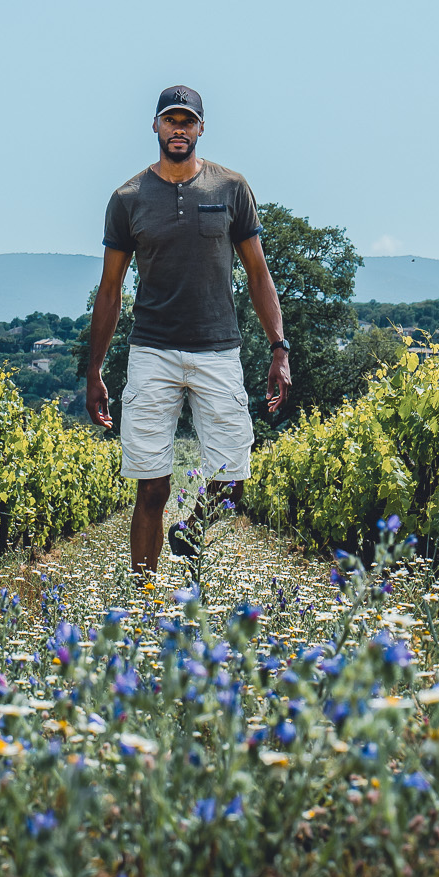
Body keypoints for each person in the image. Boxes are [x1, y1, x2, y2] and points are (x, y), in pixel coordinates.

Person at [83, 85, 290, 573]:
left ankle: (193, 529)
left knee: (234, 477)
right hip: (152, 352)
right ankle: (142, 598)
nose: (179, 128)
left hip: (218, 350)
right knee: (152, 485)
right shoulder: (127, 199)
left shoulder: (231, 189)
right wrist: (94, 371)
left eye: (188, 121)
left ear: (200, 128)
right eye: (170, 120)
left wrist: (279, 348)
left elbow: (259, 273)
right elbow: (110, 288)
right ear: (155, 127)